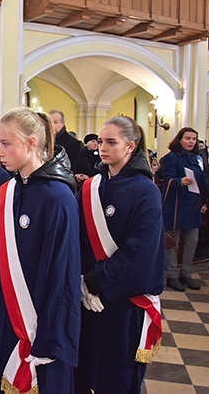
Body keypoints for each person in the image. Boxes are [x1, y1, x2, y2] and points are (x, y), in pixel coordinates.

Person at [0, 108, 81, 394]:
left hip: (37, 326)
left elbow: (62, 277)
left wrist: (50, 338)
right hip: (1, 316)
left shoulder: (58, 197)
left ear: (33, 142)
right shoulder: (6, 191)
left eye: (6, 143)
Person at [75, 116, 164, 394]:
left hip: (122, 303)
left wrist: (95, 281)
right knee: (85, 373)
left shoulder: (146, 191)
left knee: (116, 380)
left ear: (130, 146)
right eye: (101, 141)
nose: (103, 147)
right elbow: (77, 239)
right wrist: (80, 281)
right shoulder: (91, 187)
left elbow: (140, 252)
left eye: (111, 142)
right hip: (87, 300)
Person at [161, 128, 209, 292]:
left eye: (194, 138)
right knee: (173, 243)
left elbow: (202, 179)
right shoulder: (171, 157)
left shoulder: (195, 158)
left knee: (192, 242)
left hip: (192, 205)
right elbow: (167, 179)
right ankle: (172, 276)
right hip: (176, 205)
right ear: (180, 139)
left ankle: (186, 274)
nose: (191, 141)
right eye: (188, 138)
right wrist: (179, 181)